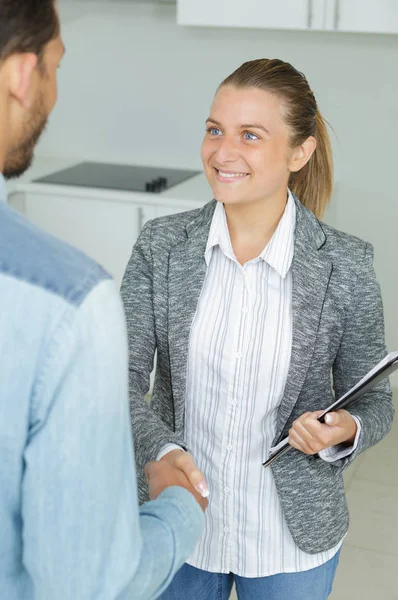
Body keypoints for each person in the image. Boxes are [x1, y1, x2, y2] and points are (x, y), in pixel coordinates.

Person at [120, 58, 394, 600]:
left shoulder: (346, 266)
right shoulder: (160, 246)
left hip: (289, 539)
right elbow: (118, 378)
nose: (223, 152)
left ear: (300, 152)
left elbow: (377, 404)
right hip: (178, 525)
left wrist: (343, 431)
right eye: (215, 129)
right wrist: (162, 449)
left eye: (250, 135)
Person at [0, 1, 207, 599]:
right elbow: (87, 586)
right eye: (56, 67)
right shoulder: (68, 304)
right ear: (21, 73)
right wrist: (180, 509)